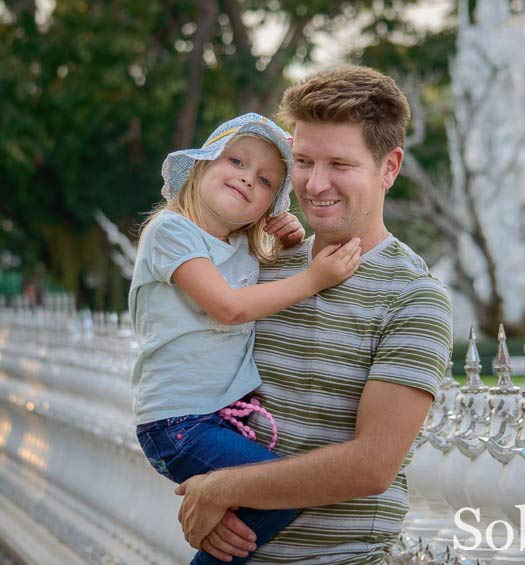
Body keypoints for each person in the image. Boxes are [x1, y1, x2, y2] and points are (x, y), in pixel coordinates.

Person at [175, 66, 453, 563]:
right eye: (302, 160)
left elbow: (371, 466)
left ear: (389, 168)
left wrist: (221, 489)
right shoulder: (261, 267)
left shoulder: (413, 297)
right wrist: (207, 493)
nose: (315, 183)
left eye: (340, 164)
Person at [129, 113, 362, 564]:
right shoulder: (171, 232)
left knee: (259, 504)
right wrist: (315, 277)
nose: (246, 178)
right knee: (285, 486)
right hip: (177, 423)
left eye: (264, 181)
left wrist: (293, 240)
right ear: (201, 166)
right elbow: (231, 306)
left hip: (214, 419)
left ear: (268, 207)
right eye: (235, 160)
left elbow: (268, 282)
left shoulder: (242, 248)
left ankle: (216, 531)